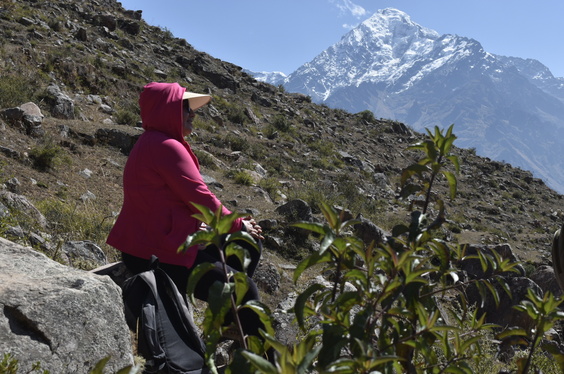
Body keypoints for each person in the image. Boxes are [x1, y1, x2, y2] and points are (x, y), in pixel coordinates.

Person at [107, 81, 264, 341]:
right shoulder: (166, 146)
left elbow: (166, 204)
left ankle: (225, 325)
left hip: (157, 240)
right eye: (185, 107)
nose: (193, 113)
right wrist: (239, 225)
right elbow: (201, 199)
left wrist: (201, 226)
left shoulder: (154, 142)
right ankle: (253, 355)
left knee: (246, 245)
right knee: (245, 288)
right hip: (156, 252)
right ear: (165, 110)